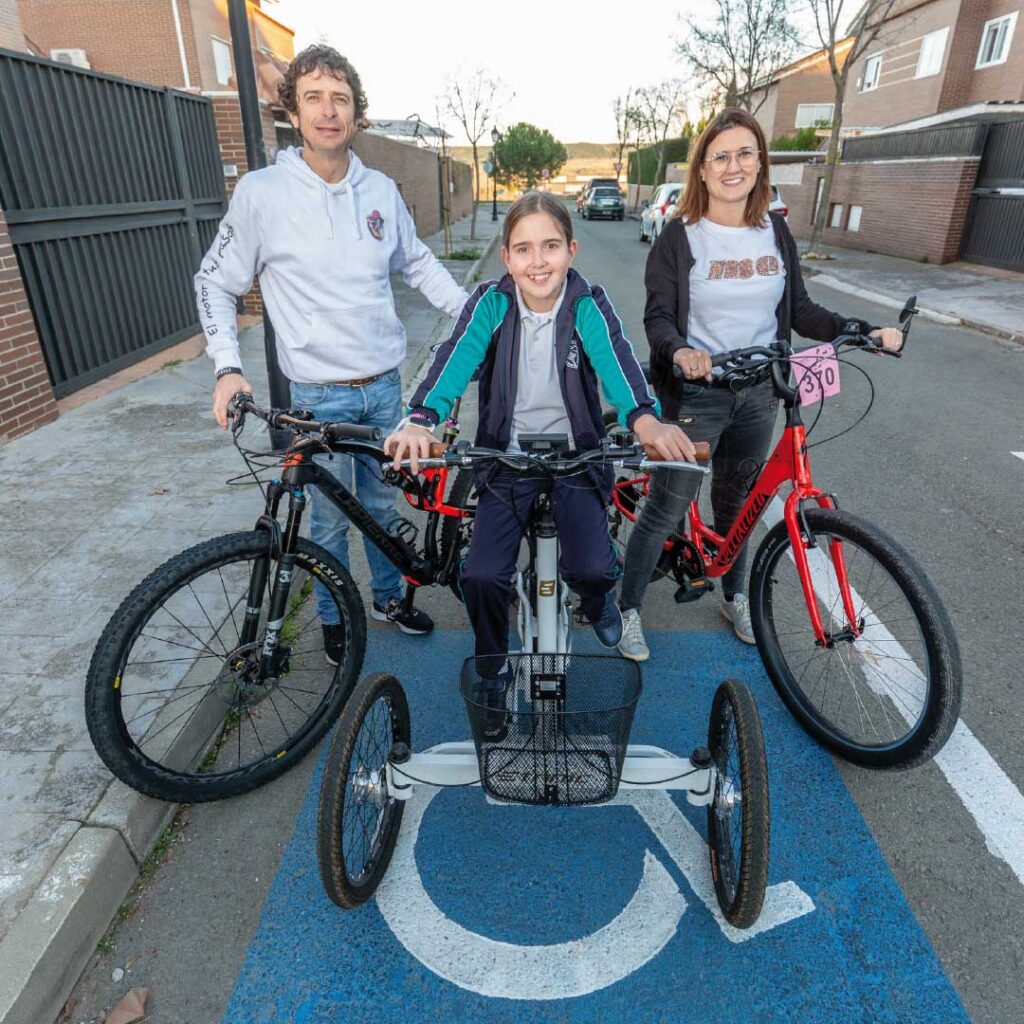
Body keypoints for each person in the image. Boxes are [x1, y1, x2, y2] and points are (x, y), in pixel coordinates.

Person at [195, 45, 469, 664]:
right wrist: (227, 366)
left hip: (384, 387)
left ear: (356, 113)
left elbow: (418, 264)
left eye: (340, 98)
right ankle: (331, 617)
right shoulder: (262, 194)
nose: (328, 110)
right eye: (314, 96)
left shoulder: (378, 189)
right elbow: (215, 281)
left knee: (380, 503)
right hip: (315, 397)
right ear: (293, 110)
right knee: (323, 523)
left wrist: (475, 317)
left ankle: (389, 598)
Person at [617, 108, 905, 662]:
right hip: (699, 394)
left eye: (745, 154)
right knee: (667, 503)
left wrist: (862, 331)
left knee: (739, 502)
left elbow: (800, 309)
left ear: (760, 163)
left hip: (760, 391)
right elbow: (658, 319)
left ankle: (735, 594)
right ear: (702, 169)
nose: (734, 166)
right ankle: (627, 607)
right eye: (721, 155)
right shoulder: (680, 238)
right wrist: (680, 350)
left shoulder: (774, 230)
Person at [385, 192, 695, 677]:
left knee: (594, 568)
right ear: (506, 256)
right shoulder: (490, 303)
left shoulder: (587, 304)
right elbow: (454, 357)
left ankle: (599, 604)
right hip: (505, 460)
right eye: (523, 249)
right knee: (482, 575)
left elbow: (617, 362)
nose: (537, 261)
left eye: (550, 246)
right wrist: (421, 417)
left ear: (571, 251)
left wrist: (644, 418)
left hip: (576, 459)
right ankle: (491, 662)